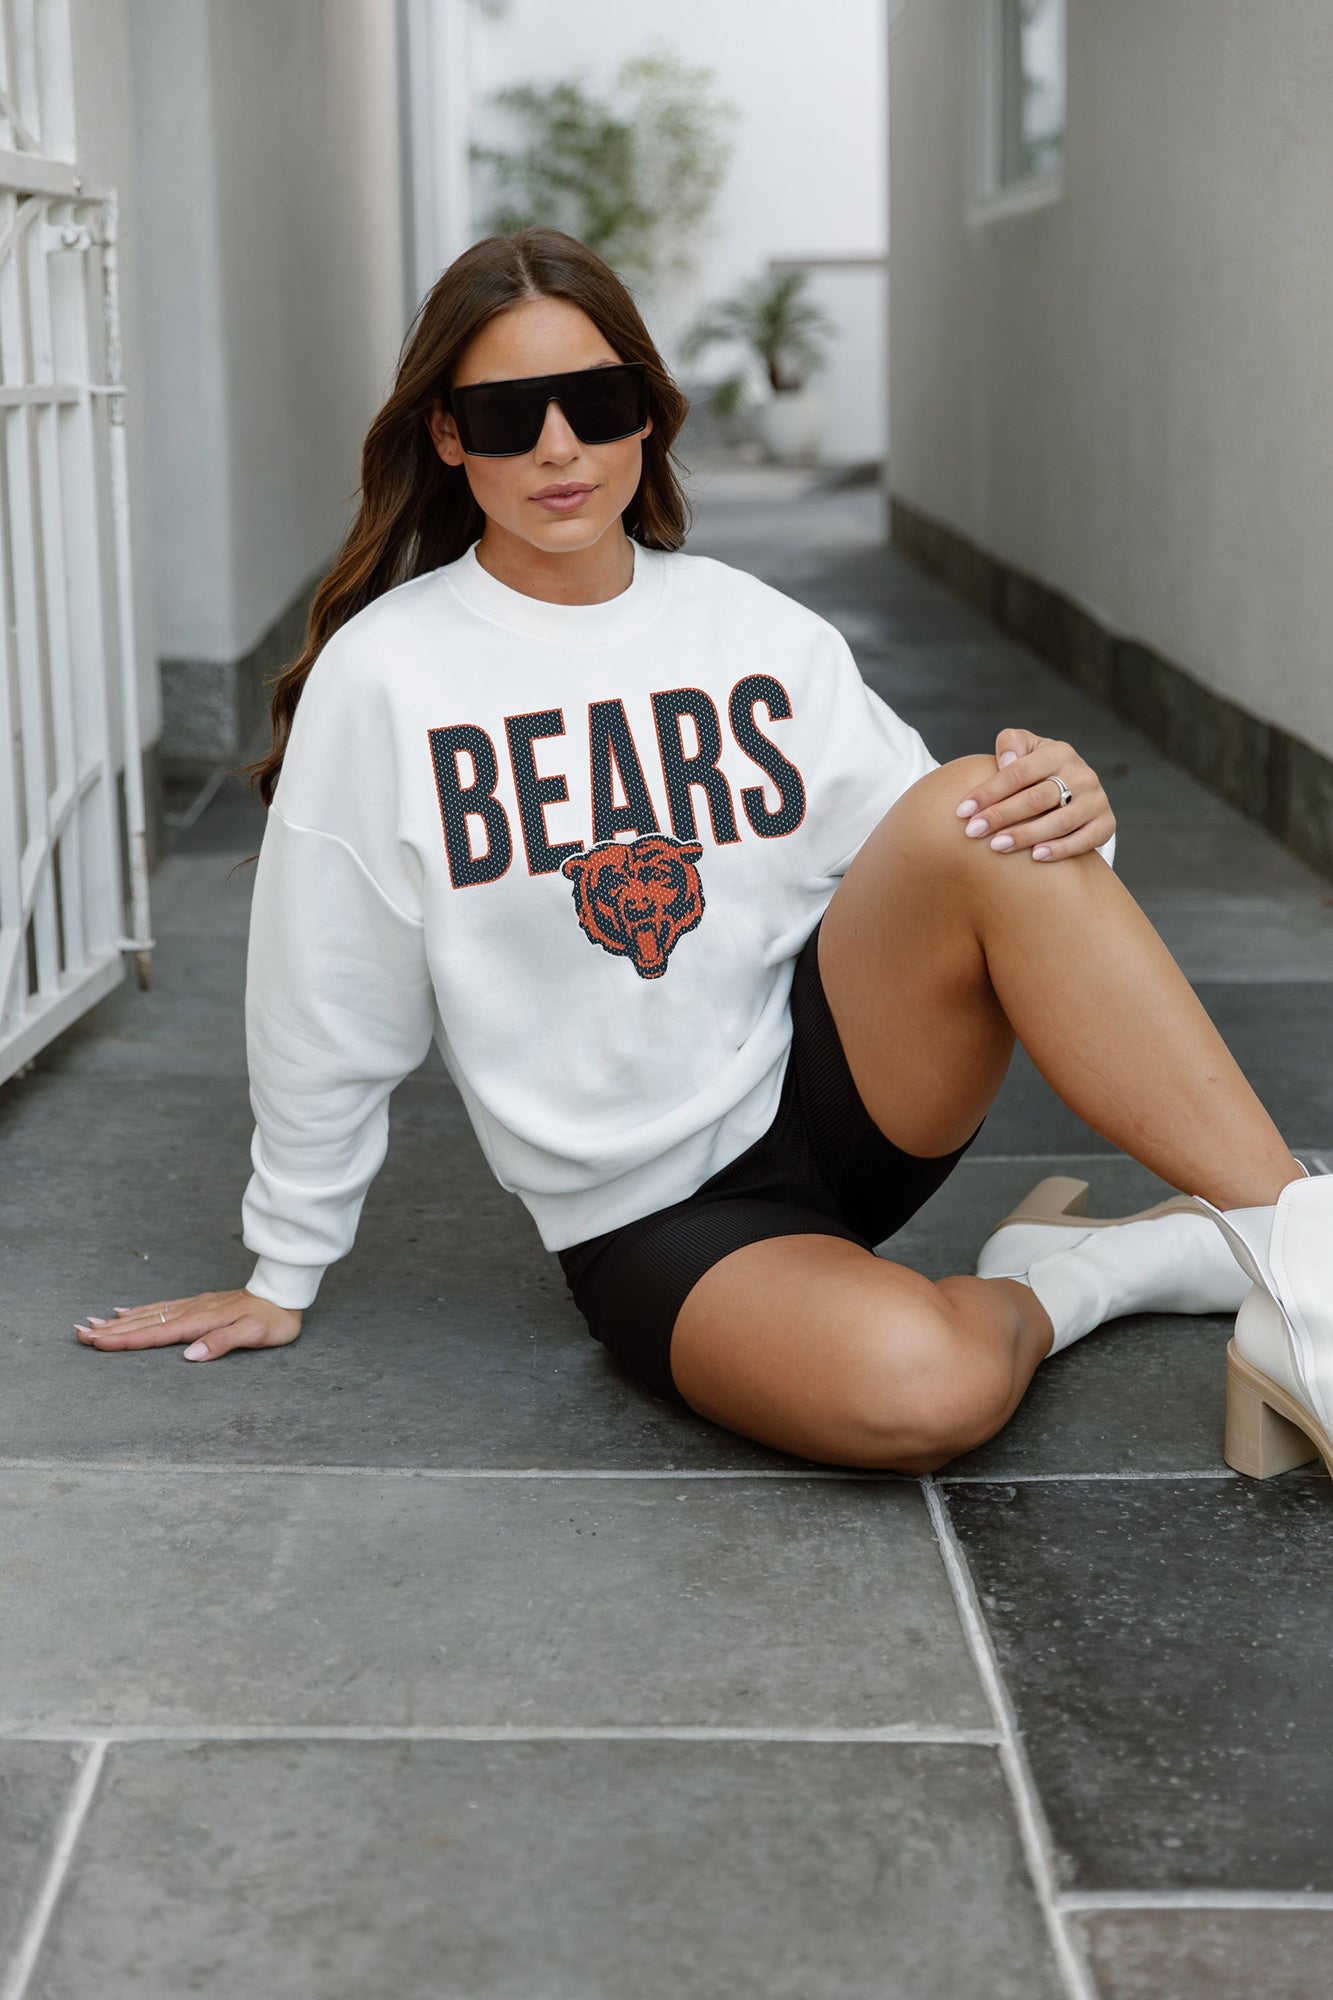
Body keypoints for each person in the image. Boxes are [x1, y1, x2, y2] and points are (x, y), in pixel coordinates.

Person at [76, 228, 1331, 1483]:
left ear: (645, 413)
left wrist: (1060, 802)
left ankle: (1309, 1278)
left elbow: (965, 867)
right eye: (508, 413)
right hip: (652, 1215)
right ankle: (1087, 1273)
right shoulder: (388, 675)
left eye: (595, 402)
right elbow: (327, 994)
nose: (559, 447)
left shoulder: (753, 629)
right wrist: (283, 1264)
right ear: (448, 435)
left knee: (978, 804)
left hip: (843, 1097)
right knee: (923, 1391)